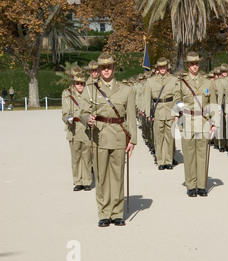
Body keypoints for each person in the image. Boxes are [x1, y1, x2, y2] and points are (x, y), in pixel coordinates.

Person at [80, 52, 137, 227]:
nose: (106, 70)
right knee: (102, 176)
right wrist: (87, 118)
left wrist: (132, 140)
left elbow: (131, 118)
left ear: (114, 68)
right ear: (98, 69)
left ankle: (117, 212)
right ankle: (104, 213)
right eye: (103, 67)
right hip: (99, 137)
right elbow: (82, 112)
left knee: (117, 176)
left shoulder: (126, 90)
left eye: (109, 67)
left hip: (119, 137)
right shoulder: (90, 89)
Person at [177, 51, 217, 197]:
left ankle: (201, 185)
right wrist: (176, 116)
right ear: (188, 65)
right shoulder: (181, 83)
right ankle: (191, 185)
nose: (194, 66)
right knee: (189, 155)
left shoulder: (207, 82)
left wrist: (215, 122)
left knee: (202, 154)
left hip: (204, 121)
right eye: (192, 64)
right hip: (187, 121)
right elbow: (177, 102)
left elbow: (213, 103)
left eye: (196, 63)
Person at [144, 57, 181, 170]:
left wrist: (176, 113)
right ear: (157, 68)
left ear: (167, 67)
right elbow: (147, 99)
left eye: (164, 66)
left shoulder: (174, 80)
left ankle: (168, 160)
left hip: (170, 110)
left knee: (169, 137)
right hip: (158, 111)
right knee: (158, 138)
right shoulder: (151, 81)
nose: (162, 69)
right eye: (160, 67)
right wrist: (148, 114)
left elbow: (177, 97)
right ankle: (160, 161)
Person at [61, 73, 92, 191]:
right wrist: (67, 119)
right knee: (76, 156)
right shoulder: (67, 94)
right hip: (73, 128)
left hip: (85, 129)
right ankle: (78, 180)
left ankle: (87, 180)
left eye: (82, 83)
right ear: (74, 84)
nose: (80, 85)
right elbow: (64, 112)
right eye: (78, 83)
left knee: (87, 156)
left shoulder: (89, 93)